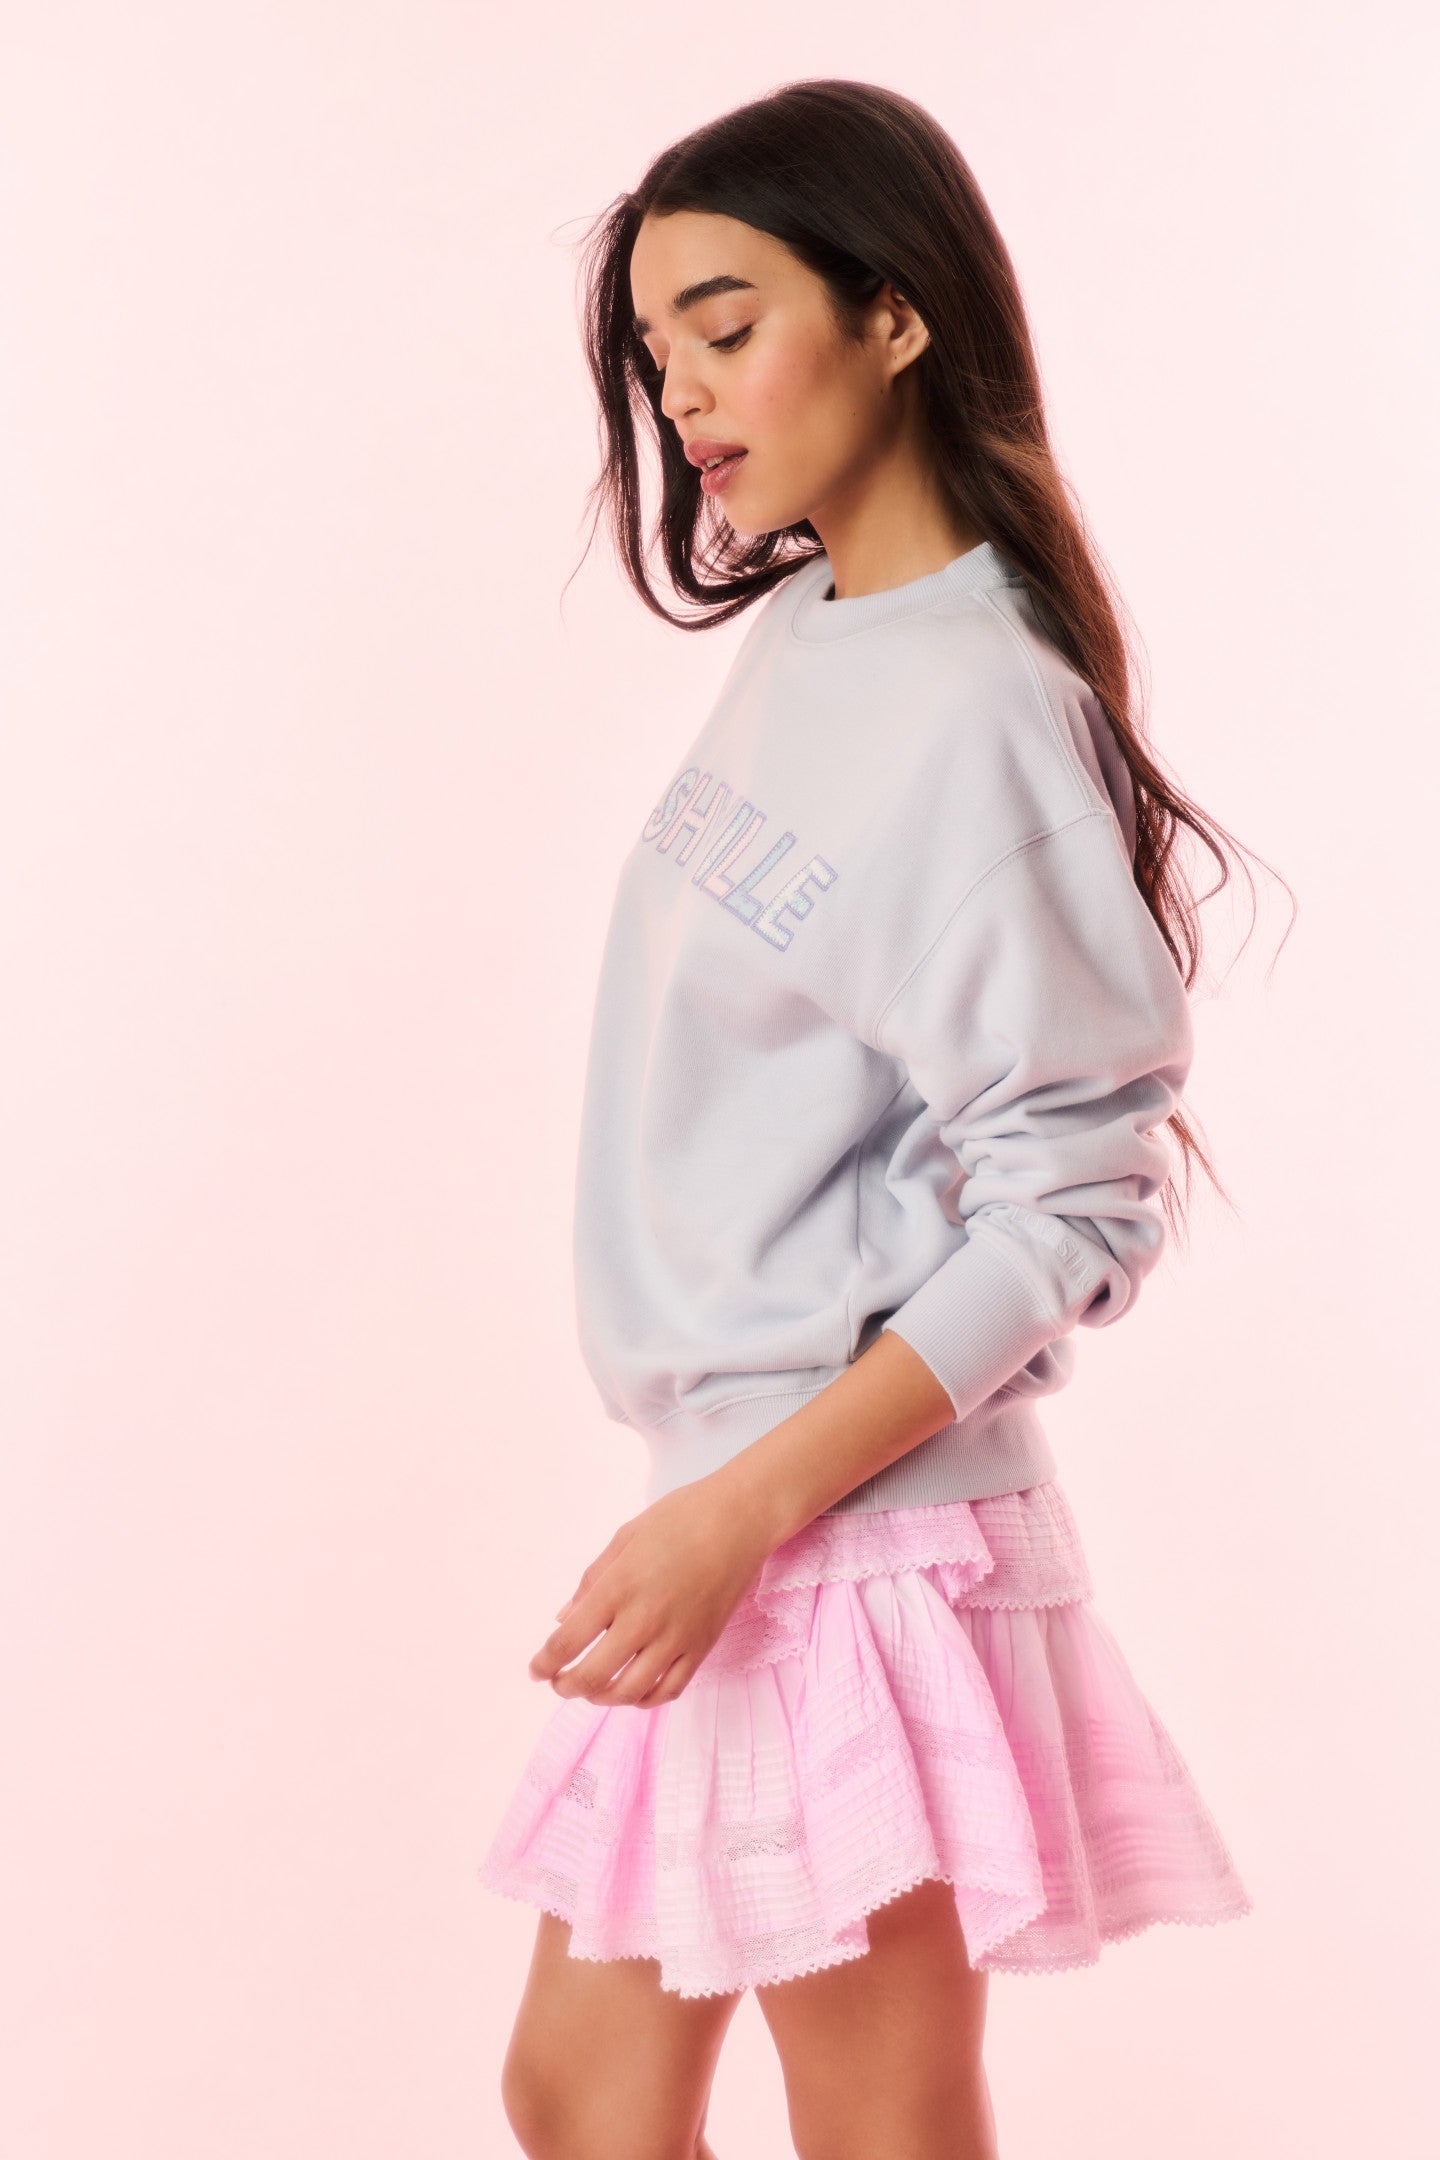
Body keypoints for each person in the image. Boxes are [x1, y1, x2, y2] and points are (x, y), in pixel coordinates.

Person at [480, 77, 1273, 2160]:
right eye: (658, 352)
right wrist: (712, 1506)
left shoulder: (986, 710)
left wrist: (744, 1512)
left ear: (895, 313)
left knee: (878, 2121)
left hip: (843, 1541)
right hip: (738, 1513)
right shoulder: (821, 627)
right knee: (582, 2096)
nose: (683, 397)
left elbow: (1074, 1203)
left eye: (727, 327)